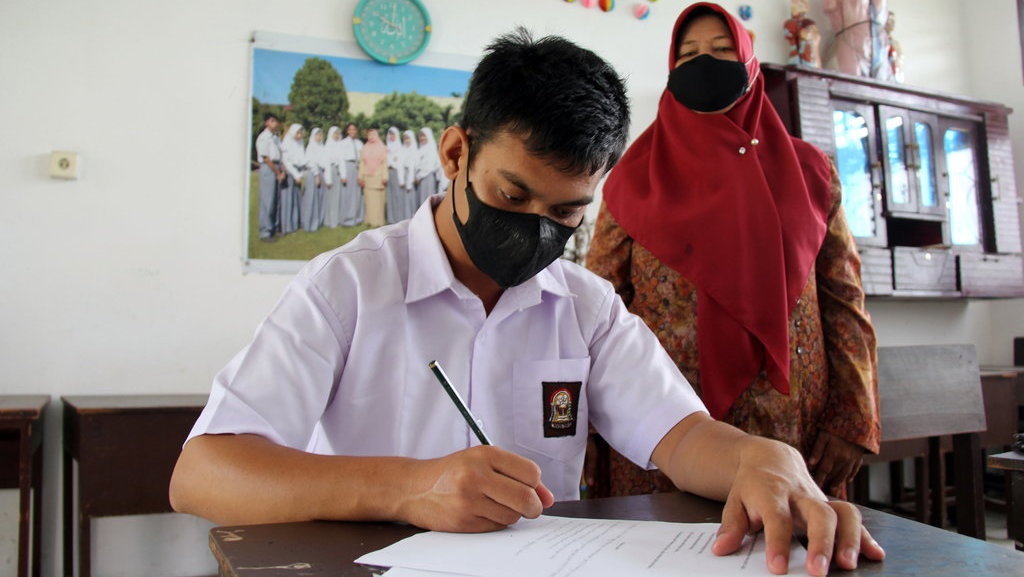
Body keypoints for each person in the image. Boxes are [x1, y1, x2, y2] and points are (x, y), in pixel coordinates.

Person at [169, 28, 884, 577]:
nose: (535, 228)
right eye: (512, 196)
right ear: (456, 154)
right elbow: (203, 472)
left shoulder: (584, 304)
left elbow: (683, 437)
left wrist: (762, 458)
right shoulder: (348, 286)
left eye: (566, 212)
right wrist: (410, 487)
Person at [585, 2, 880, 500]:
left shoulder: (812, 173)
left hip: (790, 425)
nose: (705, 64)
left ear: (749, 64)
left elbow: (843, 299)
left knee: (783, 554)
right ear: (671, 68)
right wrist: (588, 427)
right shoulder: (634, 177)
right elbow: (597, 309)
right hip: (663, 423)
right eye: (690, 54)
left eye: (722, 51)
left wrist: (853, 418)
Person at [823, 0, 892, 81]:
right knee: (851, 84)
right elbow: (829, 7)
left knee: (882, 87)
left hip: (879, 46)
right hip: (850, 42)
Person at [254, 113, 284, 242]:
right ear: (266, 123)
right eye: (272, 121)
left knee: (275, 200)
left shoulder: (275, 138)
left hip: (276, 166)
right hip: (269, 168)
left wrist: (281, 170)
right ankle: (265, 232)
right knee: (267, 200)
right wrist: (277, 173)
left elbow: (279, 154)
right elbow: (266, 158)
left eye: (276, 121)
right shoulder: (263, 137)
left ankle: (274, 229)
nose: (275, 123)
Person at [279, 123, 307, 235]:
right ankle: (287, 226)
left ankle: (295, 224)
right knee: (288, 200)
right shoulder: (287, 143)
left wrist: (301, 173)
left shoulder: (300, 143)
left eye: (301, 133)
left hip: (298, 173)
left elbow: (301, 159)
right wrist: (296, 175)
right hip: (290, 173)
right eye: (298, 132)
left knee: (296, 199)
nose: (299, 135)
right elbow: (286, 162)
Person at [358, 127, 388, 227]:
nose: (371, 137)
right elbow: (362, 163)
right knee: (369, 200)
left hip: (379, 176)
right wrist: (360, 177)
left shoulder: (382, 147)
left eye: (373, 134)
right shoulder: (365, 147)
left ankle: (379, 221)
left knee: (378, 200)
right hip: (368, 177)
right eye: (369, 135)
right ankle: (370, 220)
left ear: (377, 135)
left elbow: (384, 163)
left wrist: (385, 177)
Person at [301, 127, 327, 233]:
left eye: (321, 135)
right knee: (311, 198)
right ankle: (309, 223)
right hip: (313, 173)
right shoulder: (311, 147)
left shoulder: (322, 146)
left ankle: (317, 222)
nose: (319, 137)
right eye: (317, 135)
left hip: (321, 173)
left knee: (319, 198)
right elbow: (310, 162)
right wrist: (316, 175)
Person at [339, 122, 364, 226]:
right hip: (348, 166)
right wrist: (343, 175)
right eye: (350, 129)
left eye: (354, 129)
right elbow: (341, 159)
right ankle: (347, 219)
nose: (352, 131)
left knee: (358, 194)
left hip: (357, 167)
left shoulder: (359, 143)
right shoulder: (343, 143)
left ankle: (357, 217)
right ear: (347, 131)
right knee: (348, 194)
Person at [783, 0, 821, 67]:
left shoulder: (808, 23)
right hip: (796, 56)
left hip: (808, 59)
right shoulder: (790, 23)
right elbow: (790, 35)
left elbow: (813, 37)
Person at [414, 126, 442, 208]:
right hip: (420, 179)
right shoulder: (420, 149)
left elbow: (429, 167)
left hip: (427, 177)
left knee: (426, 200)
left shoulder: (431, 149)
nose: (422, 138)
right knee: (421, 201)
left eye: (424, 136)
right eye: (420, 136)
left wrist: (418, 177)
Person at [322, 126, 344, 228]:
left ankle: (337, 219)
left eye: (337, 133)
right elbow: (326, 163)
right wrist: (328, 179)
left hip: (338, 172)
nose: (336, 135)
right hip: (330, 172)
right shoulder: (327, 146)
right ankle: (330, 221)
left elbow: (341, 161)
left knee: (337, 197)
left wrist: (343, 175)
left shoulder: (339, 145)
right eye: (334, 133)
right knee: (331, 197)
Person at [385, 126, 404, 224]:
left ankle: (399, 218)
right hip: (389, 172)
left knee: (397, 196)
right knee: (390, 196)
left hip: (397, 173)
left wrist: (401, 180)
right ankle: (391, 218)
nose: (391, 136)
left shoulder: (400, 148)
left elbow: (399, 164)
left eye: (393, 134)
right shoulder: (387, 148)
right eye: (390, 134)